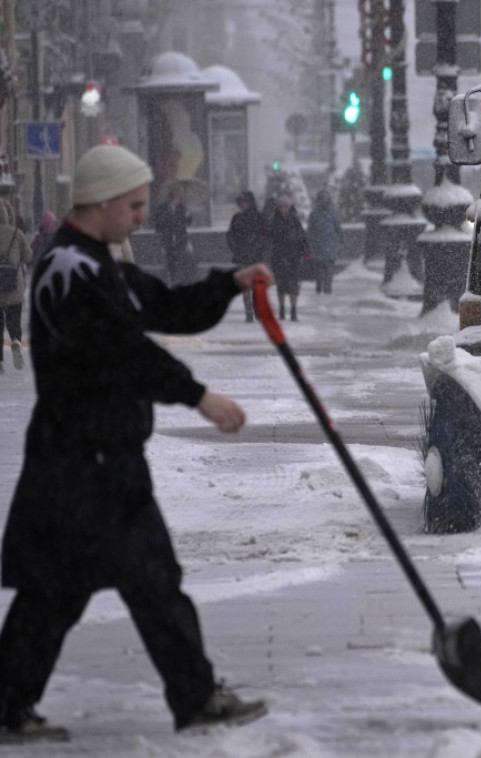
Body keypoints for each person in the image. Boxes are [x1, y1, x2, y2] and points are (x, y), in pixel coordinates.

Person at [0, 144, 271, 742]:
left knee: (63, 589)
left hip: (94, 457)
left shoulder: (99, 264)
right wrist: (199, 396)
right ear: (101, 202)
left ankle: (10, 704)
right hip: (83, 460)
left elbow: (167, 308)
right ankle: (195, 697)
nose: (142, 216)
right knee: (131, 582)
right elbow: (120, 352)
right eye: (135, 204)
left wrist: (229, 282)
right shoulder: (71, 269)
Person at [0, 200, 32, 374]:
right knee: (14, 320)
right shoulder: (16, 233)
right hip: (14, 286)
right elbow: (28, 256)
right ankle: (16, 341)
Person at [226, 191, 266, 322]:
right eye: (240, 203)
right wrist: (235, 248)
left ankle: (256, 309)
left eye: (244, 202)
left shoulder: (258, 217)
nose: (242, 205)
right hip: (243, 255)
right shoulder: (237, 218)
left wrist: (259, 245)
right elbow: (230, 235)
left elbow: (266, 235)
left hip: (255, 255)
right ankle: (249, 312)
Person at [267, 193, 307, 321]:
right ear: (278, 208)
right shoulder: (274, 222)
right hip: (278, 258)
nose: (284, 209)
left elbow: (302, 237)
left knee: (293, 285)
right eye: (281, 206)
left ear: (290, 207)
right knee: (281, 285)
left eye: (286, 206)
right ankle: (282, 309)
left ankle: (293, 310)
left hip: (293, 257)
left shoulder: (295, 221)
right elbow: (269, 239)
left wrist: (304, 251)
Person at [153, 182, 195, 285]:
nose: (177, 198)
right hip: (168, 241)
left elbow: (189, 222)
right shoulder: (162, 208)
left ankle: (182, 282)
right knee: (170, 263)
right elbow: (158, 225)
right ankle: (172, 282)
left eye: (178, 196)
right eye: (175, 196)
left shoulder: (182, 208)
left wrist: (188, 215)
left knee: (183, 262)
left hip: (181, 240)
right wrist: (169, 216)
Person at [306, 190, 343, 295]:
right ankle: (319, 288)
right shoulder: (314, 214)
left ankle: (327, 290)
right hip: (318, 248)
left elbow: (338, 228)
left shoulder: (332, 214)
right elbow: (310, 231)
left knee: (328, 272)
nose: (324, 202)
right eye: (322, 199)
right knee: (319, 272)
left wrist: (341, 239)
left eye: (326, 199)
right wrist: (309, 245)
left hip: (330, 248)